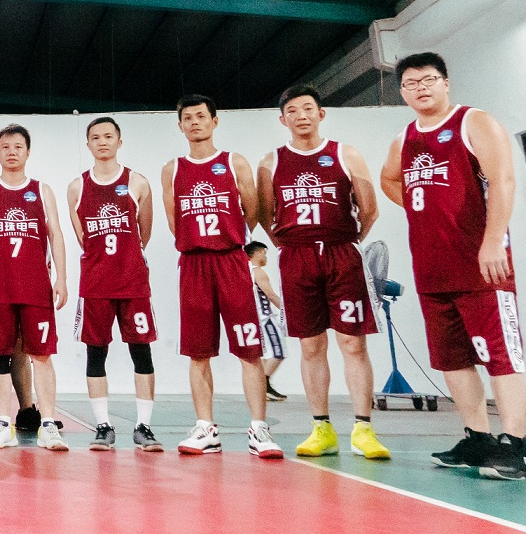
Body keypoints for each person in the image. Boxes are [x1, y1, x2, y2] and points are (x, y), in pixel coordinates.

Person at [380, 52, 526, 480]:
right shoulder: (404, 138)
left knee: (501, 356)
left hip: (481, 264)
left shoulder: (473, 122)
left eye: (428, 79)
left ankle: (517, 447)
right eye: (411, 83)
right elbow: (388, 178)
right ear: (402, 92)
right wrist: (424, 207)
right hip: (432, 268)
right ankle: (478, 439)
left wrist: (493, 240)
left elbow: (503, 180)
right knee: (452, 360)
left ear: (445, 83)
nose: (420, 88)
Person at [256, 84, 389, 459]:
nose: (301, 115)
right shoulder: (271, 162)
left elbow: (370, 210)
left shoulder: (345, 153)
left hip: (341, 255)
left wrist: (348, 241)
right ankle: (321, 429)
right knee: (311, 346)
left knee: (353, 343)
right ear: (282, 119)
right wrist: (287, 245)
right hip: (297, 258)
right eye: (293, 111)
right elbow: (265, 213)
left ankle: (363, 429)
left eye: (307, 108)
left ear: (321, 113)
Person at [162, 94, 282, 459]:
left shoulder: (234, 162)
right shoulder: (172, 168)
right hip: (194, 264)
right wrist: (199, 243)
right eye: (188, 117)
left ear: (214, 121)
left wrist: (227, 240)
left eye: (201, 116)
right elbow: (173, 221)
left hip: (230, 261)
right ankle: (206, 428)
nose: (195, 122)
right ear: (180, 126)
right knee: (198, 353)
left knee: (249, 349)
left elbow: (252, 212)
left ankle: (259, 429)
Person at [0, 124, 69, 451]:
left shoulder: (42, 190)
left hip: (35, 287)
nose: (12, 152)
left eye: (18, 146)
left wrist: (61, 278)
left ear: (27, 151)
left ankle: (47, 425)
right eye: (6, 147)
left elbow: (56, 235)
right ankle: (2, 424)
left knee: (42, 355)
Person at [66, 116, 161, 451]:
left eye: (109, 136)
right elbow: (83, 238)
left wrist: (127, 257)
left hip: (132, 282)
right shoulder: (76, 187)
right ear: (88, 144)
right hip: (95, 284)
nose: (102, 142)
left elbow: (144, 232)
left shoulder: (138, 182)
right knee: (96, 353)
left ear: (120, 141)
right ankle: (103, 426)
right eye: (96, 137)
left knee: (141, 351)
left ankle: (144, 426)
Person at [245, 243, 288, 402]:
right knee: (278, 352)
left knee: (264, 355)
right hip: (265, 318)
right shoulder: (258, 272)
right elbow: (270, 295)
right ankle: (262, 385)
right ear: (257, 253)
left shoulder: (244, 271)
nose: (265, 257)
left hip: (255, 318)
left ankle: (263, 387)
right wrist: (286, 311)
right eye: (264, 253)